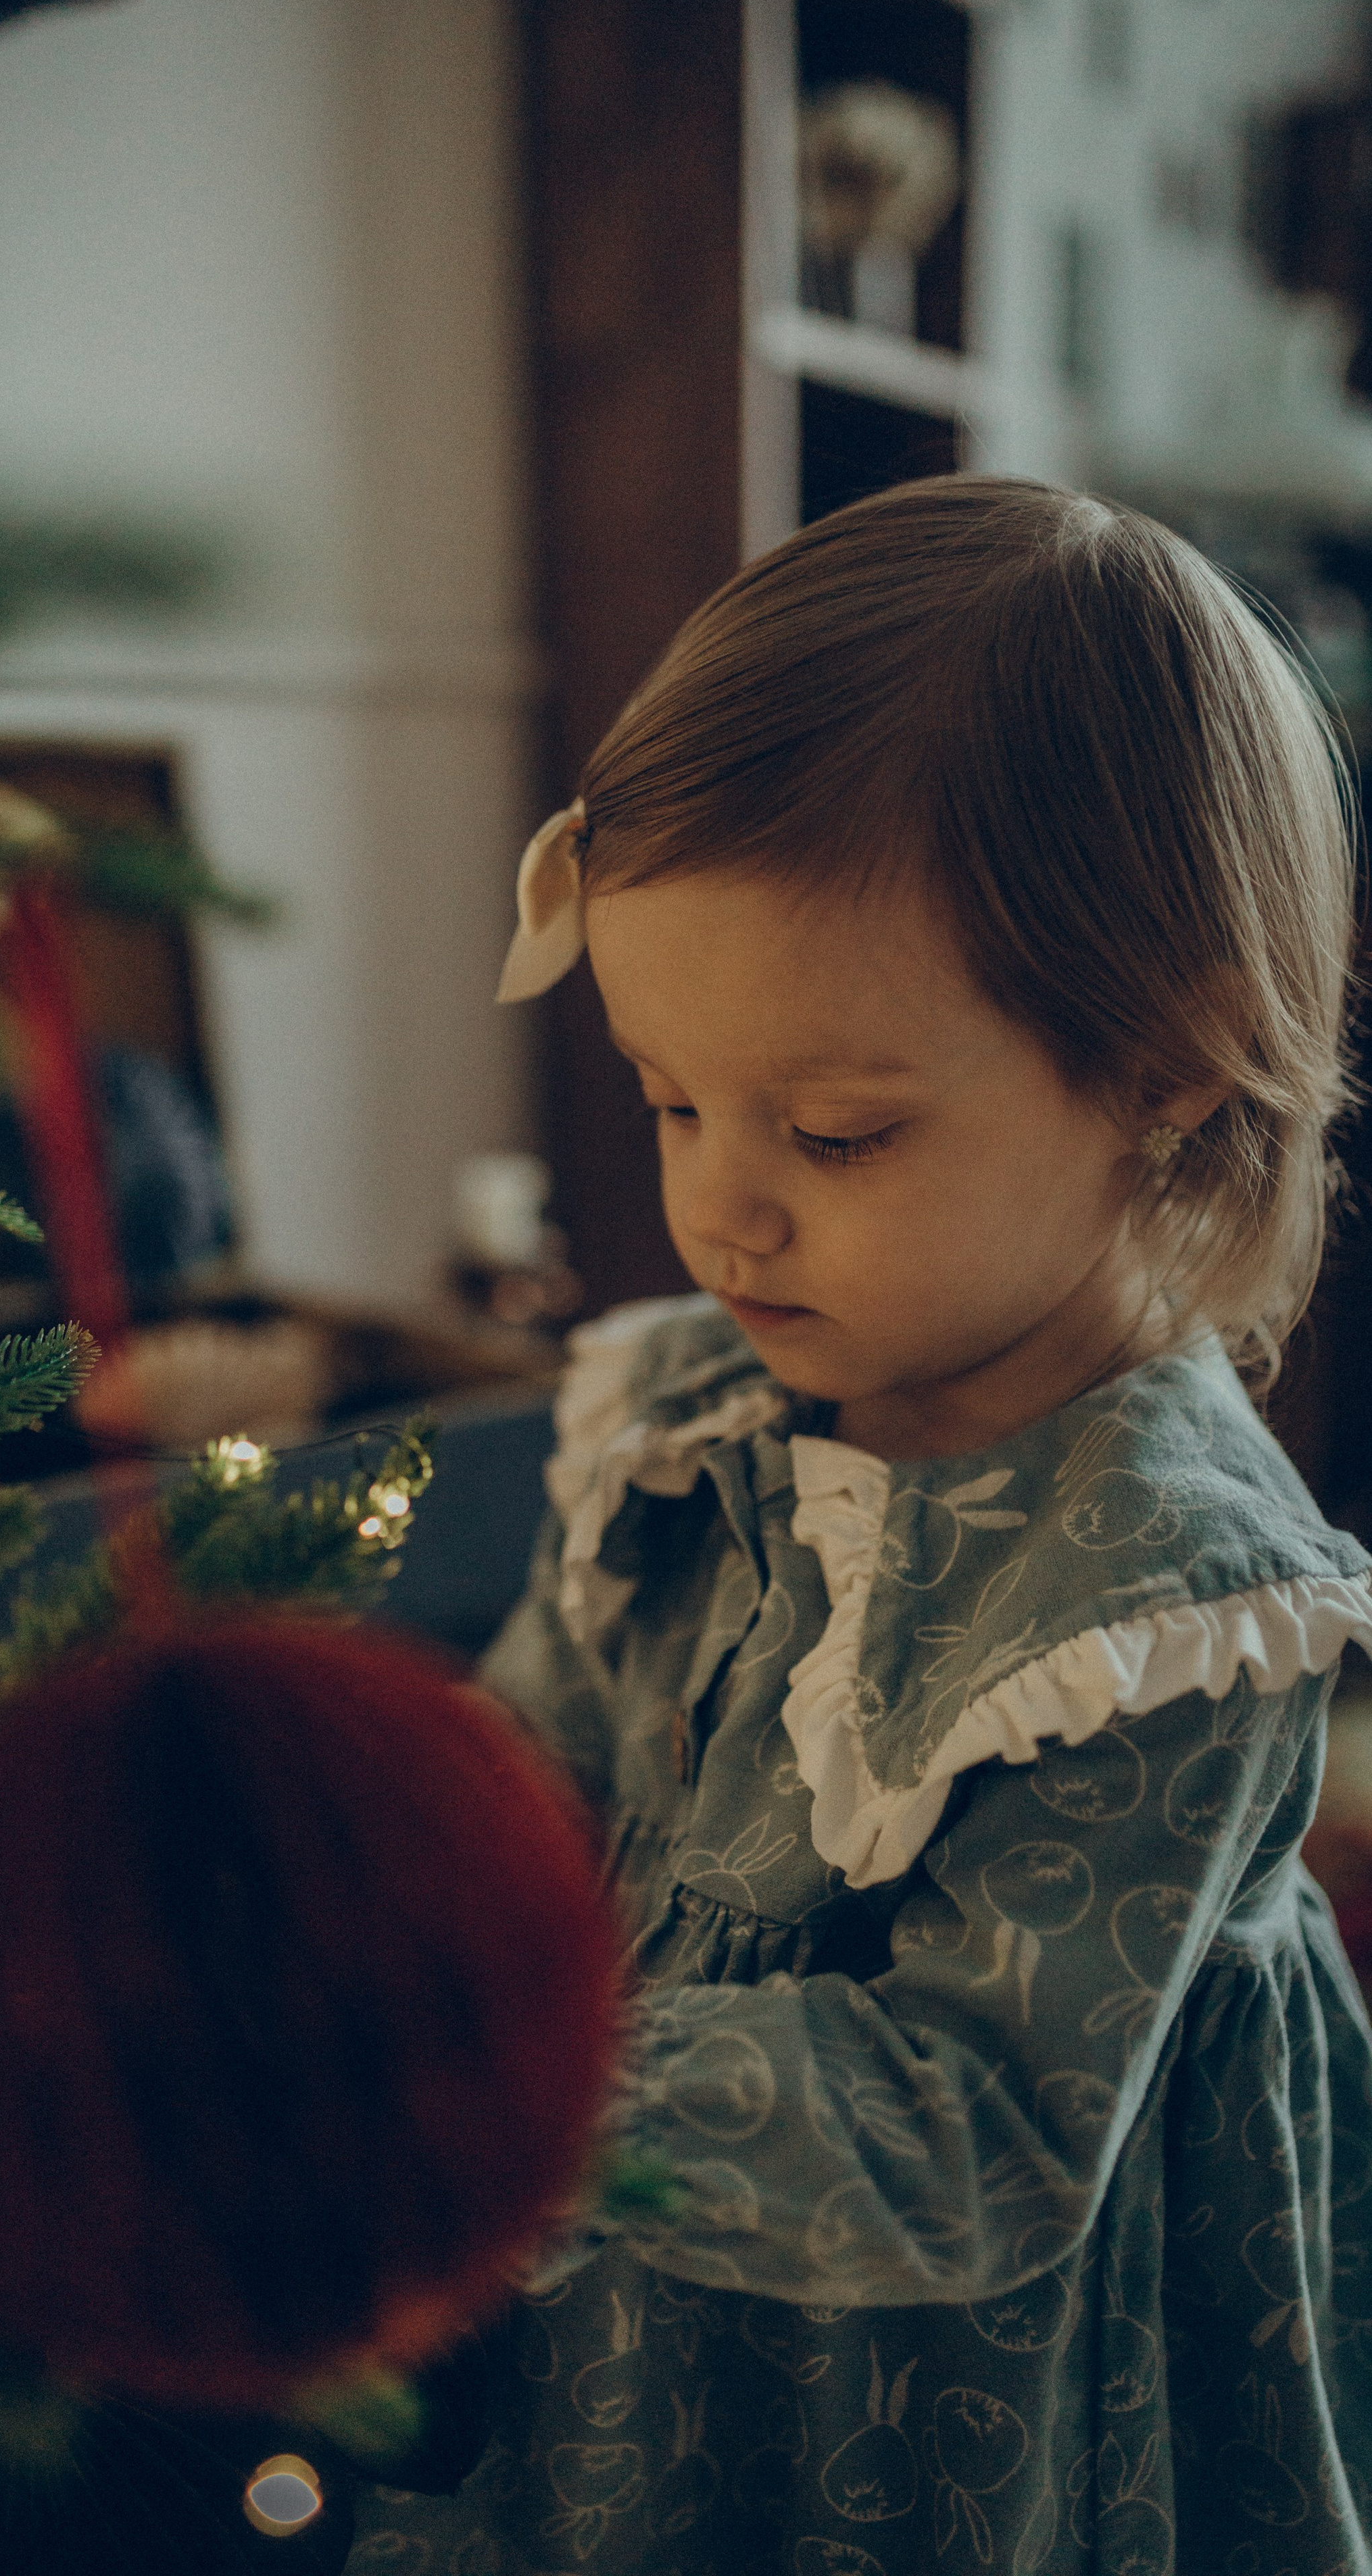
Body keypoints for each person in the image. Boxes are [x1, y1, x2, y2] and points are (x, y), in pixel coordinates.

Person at [344, 477, 1372, 2576]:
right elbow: (549, 1743)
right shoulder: (690, 1405)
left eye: (832, 1131)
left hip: (949, 2400)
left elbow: (974, 2122)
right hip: (639, 2286)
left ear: (1165, 1069)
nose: (720, 1205)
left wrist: (524, 2082)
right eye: (667, 1098)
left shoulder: (1169, 1604)